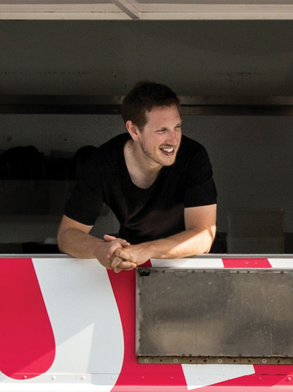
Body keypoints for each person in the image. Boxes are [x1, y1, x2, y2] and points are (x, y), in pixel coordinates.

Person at [58, 82, 218, 271]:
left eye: (177, 127)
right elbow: (67, 234)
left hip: (189, 264)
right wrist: (100, 250)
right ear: (134, 130)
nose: (174, 140)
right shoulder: (103, 162)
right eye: (162, 130)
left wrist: (147, 250)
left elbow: (203, 236)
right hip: (129, 265)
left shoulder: (193, 155)